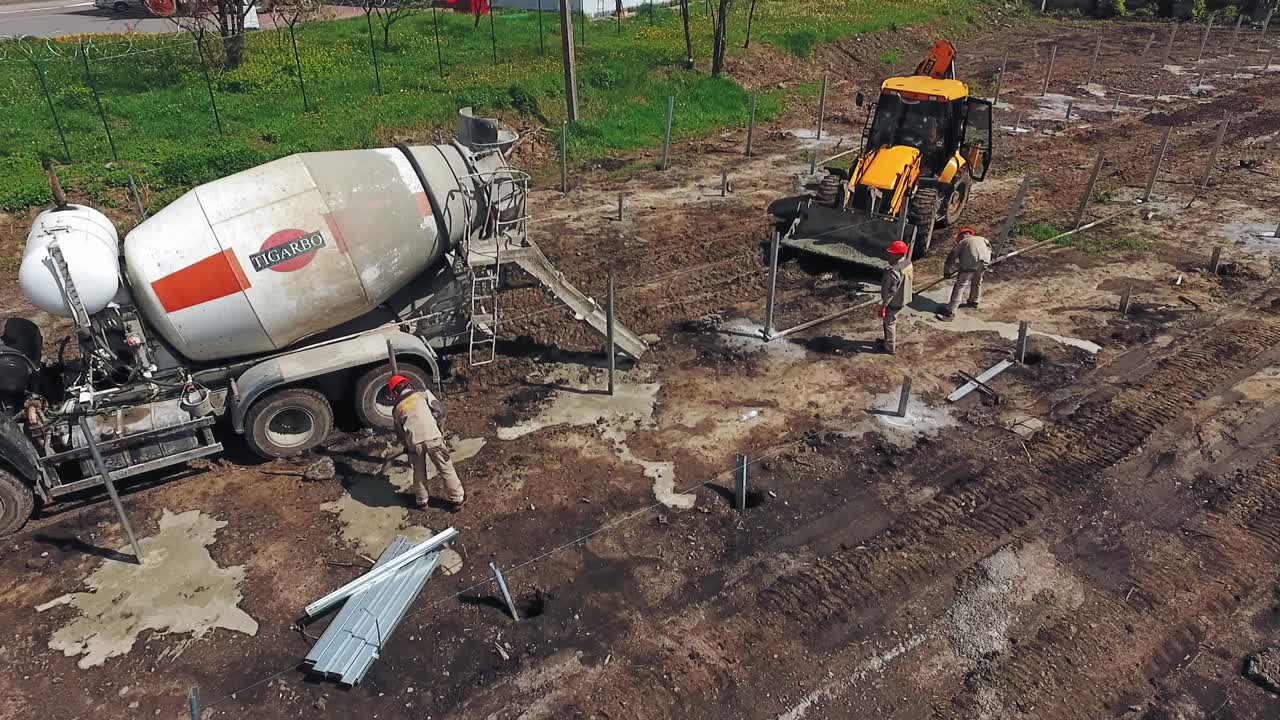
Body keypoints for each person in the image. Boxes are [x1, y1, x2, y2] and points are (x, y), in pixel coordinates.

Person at [389, 374, 465, 512]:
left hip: (414, 443)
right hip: (433, 438)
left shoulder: (397, 409)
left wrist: (407, 445)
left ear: (394, 393)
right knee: (445, 468)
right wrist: (437, 426)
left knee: (418, 472)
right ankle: (457, 499)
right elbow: (440, 411)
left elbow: (400, 433)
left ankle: (422, 502)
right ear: (408, 384)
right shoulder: (423, 394)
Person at [938, 227, 992, 320]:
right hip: (984, 262)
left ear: (961, 235)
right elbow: (990, 250)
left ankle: (950, 311)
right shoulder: (983, 239)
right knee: (977, 281)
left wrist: (946, 272)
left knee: (960, 286)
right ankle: (973, 301)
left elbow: (951, 258)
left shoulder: (963, 242)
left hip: (970, 264)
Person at [878, 240, 913, 355]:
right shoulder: (908, 263)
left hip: (894, 301)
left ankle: (889, 347)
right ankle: (887, 341)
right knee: (890, 321)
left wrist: (883, 306)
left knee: (889, 323)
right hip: (904, 297)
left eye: (892, 253)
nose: (890, 255)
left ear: (898, 254)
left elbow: (890, 292)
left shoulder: (894, 271)